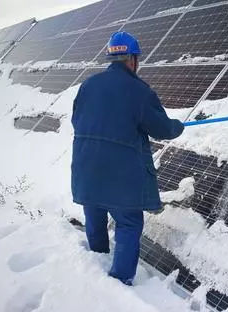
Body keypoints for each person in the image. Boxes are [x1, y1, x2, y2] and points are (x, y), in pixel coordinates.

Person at [70, 31, 184, 285]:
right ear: (132, 59)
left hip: (86, 167)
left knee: (94, 212)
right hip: (120, 175)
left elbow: (76, 119)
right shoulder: (139, 91)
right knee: (129, 223)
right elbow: (162, 129)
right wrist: (177, 126)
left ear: (111, 57)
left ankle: (96, 259)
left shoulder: (88, 85)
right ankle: (119, 281)